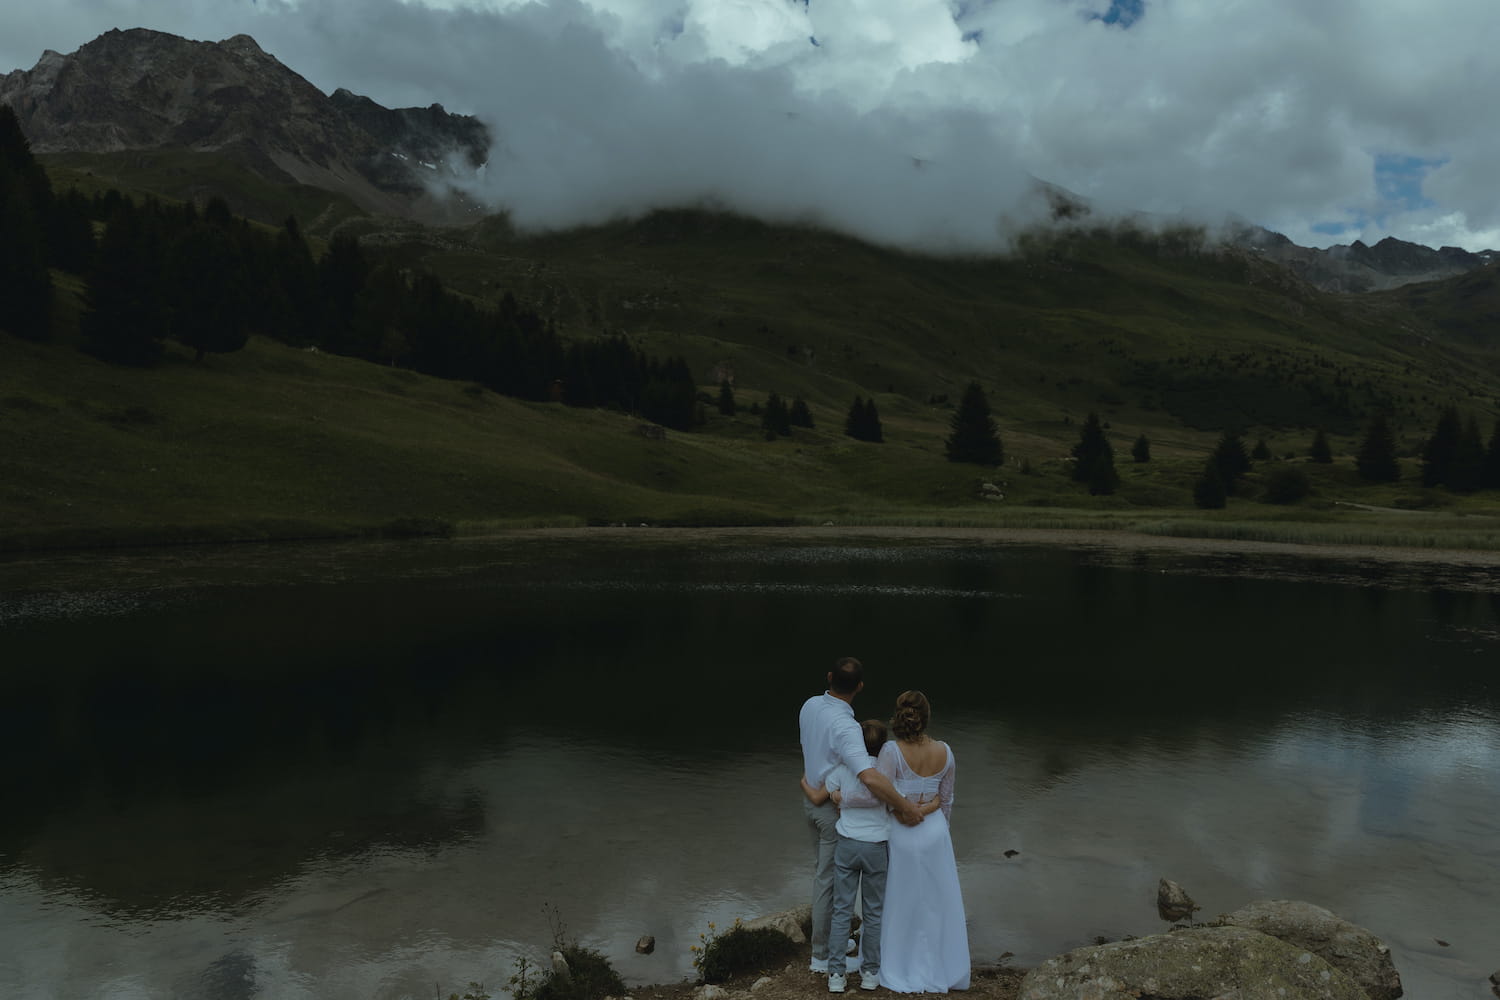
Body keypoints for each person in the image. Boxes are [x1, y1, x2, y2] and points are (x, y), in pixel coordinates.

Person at [800, 658, 924, 977]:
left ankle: (834, 942)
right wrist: (905, 806)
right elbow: (868, 777)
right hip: (831, 811)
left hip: (812, 801)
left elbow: (814, 751)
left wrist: (813, 790)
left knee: (825, 876)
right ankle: (821, 955)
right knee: (828, 882)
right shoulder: (847, 727)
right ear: (860, 686)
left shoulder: (810, 705)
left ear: (829, 677)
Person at [813, 720, 945, 994]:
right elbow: (900, 802)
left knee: (841, 910)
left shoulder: (843, 768)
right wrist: (933, 804)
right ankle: (870, 972)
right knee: (873, 912)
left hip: (847, 844)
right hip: (876, 847)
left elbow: (827, 790)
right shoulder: (888, 774)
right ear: (884, 745)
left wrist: (837, 797)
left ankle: (836, 974)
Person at [876, 690, 969, 994]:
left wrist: (901, 811)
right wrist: (938, 826)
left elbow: (882, 796)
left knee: (901, 900)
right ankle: (943, 965)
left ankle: (900, 962)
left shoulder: (891, 751)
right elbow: (946, 799)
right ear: (927, 717)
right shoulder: (945, 751)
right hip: (935, 832)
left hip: (901, 833)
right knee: (936, 902)